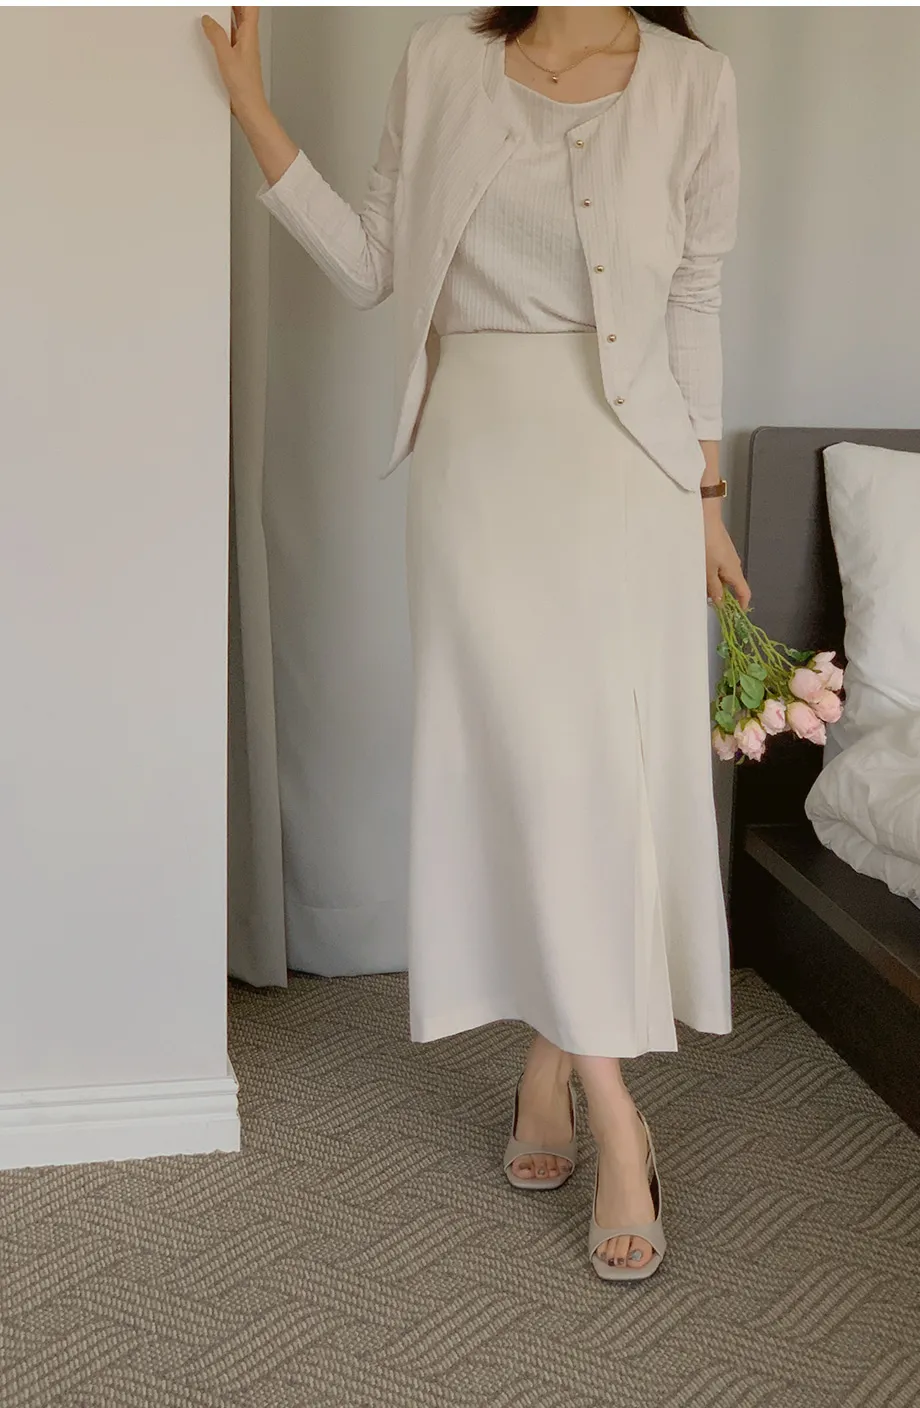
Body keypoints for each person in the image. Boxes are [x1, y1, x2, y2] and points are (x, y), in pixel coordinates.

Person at [203, 5, 751, 1282]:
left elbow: (694, 299)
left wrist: (707, 502)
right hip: (478, 473)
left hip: (627, 478)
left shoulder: (695, 83)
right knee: (521, 774)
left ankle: (567, 1076)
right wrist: (253, 113)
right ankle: (607, 1102)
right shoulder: (442, 62)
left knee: (594, 784)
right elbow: (370, 261)